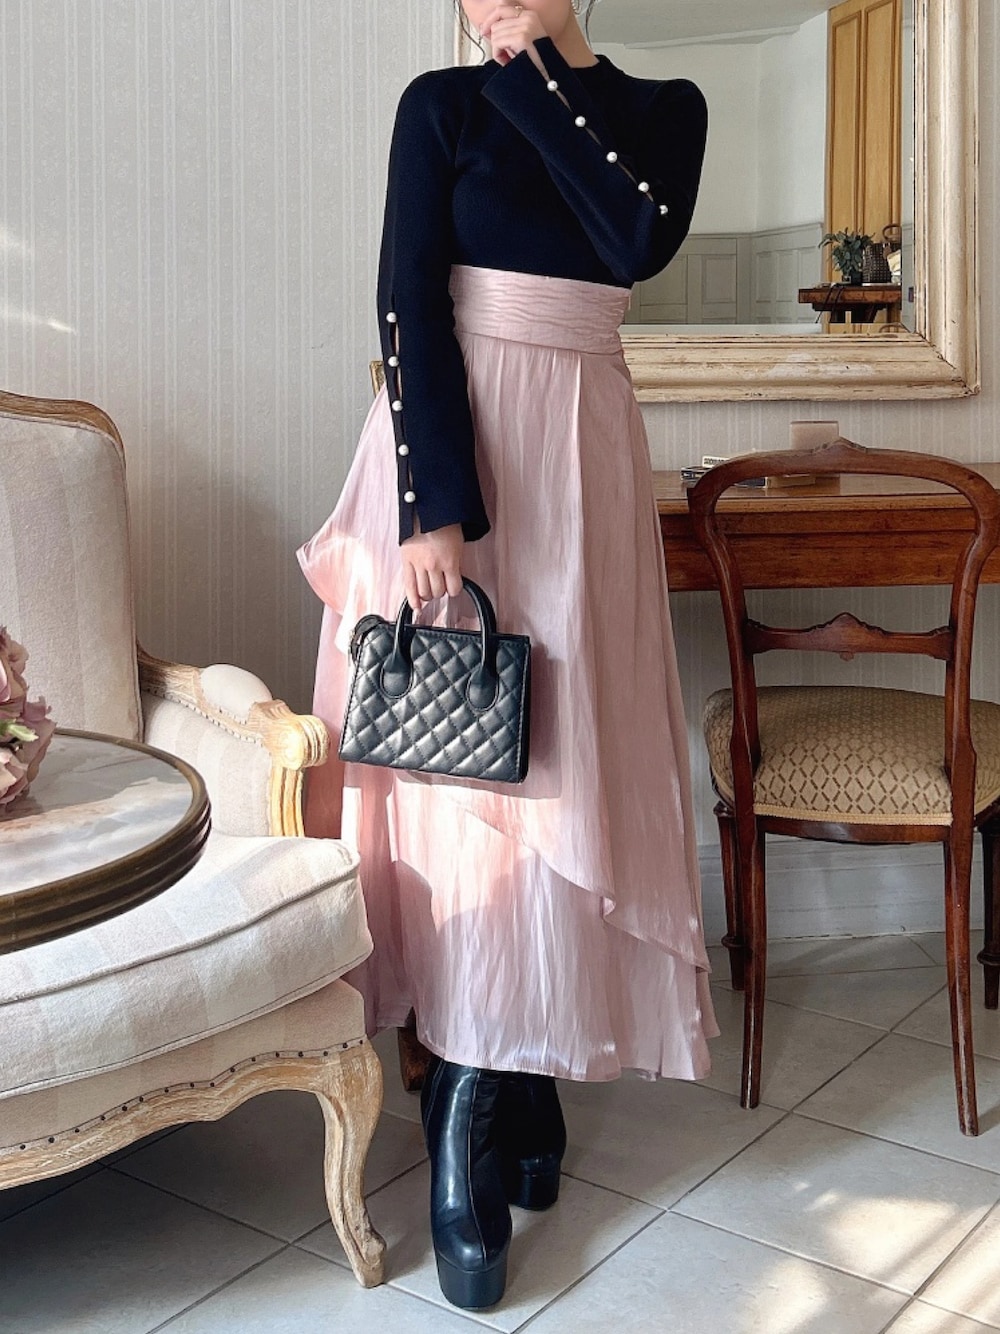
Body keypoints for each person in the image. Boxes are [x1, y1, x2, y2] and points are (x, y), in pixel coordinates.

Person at [298, 0, 716, 1311]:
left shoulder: (665, 114)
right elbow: (406, 297)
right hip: (462, 454)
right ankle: (466, 1115)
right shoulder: (439, 107)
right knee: (467, 791)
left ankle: (525, 1078)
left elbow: (634, 238)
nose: (481, 8)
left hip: (585, 456)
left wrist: (542, 68)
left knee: (568, 761)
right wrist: (434, 506)